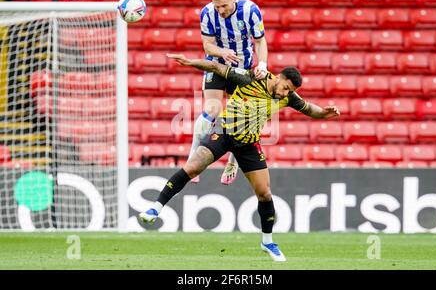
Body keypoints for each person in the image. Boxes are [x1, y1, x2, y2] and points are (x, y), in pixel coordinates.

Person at [139, 54, 340, 262]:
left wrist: (325, 113)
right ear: (278, 77)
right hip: (224, 133)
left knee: (265, 193)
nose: (286, 93)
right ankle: (156, 207)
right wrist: (190, 62)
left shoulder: (288, 98)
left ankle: (267, 242)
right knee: (193, 168)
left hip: (248, 145)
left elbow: (310, 109)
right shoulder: (252, 78)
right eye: (286, 87)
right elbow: (216, 67)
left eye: (291, 91)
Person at [189, 0, 269, 185]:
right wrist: (222, 52)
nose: (221, 10)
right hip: (217, 65)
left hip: (243, 68)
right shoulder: (207, 13)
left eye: (224, 5)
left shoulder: (250, 10)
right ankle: (193, 158)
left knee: (240, 117)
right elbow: (207, 46)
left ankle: (232, 163)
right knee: (212, 109)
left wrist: (263, 64)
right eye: (218, 6)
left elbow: (260, 41)